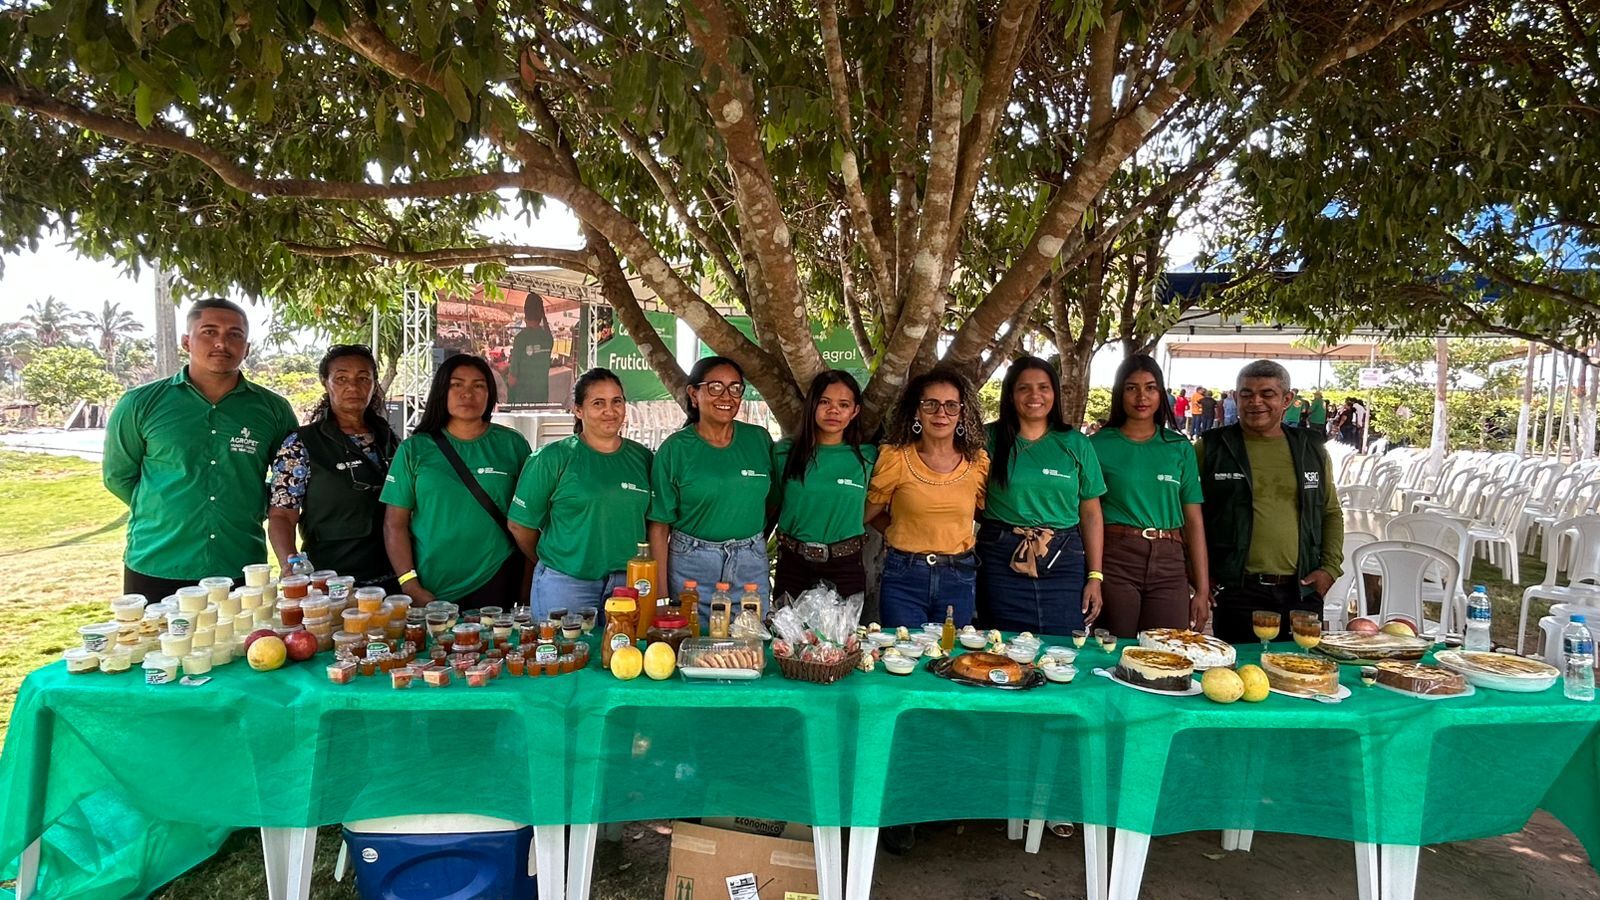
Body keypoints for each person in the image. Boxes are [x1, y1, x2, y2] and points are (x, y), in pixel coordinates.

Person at [103, 298, 297, 599]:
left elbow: (290, 480)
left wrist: (249, 505)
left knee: (243, 647)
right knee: (151, 646)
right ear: (186, 341)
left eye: (235, 334)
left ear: (247, 348)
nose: (222, 342)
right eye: (209, 331)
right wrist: (165, 510)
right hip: (157, 563)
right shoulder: (140, 404)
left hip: (239, 563)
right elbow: (118, 476)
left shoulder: (273, 410)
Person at [1196, 360, 1343, 644]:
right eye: (1247, 394)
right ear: (1236, 397)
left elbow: (1331, 512)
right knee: (1240, 676)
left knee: (1299, 675)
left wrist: (1329, 569)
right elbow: (1187, 513)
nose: (1256, 402)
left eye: (1267, 394)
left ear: (1287, 399)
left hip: (1300, 589)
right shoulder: (1212, 446)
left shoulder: (1310, 449)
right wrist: (1198, 574)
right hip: (1236, 589)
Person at [381, 354, 532, 606]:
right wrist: (410, 584)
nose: (467, 393)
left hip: (497, 577)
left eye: (478, 385)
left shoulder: (512, 445)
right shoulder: (414, 449)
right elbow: (394, 524)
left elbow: (530, 520)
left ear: (490, 393)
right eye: (456, 384)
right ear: (442, 391)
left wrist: (526, 587)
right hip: (431, 588)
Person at [509, 368, 653, 617]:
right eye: (598, 403)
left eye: (616, 401)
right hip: (566, 584)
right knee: (563, 654)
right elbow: (520, 526)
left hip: (628, 585)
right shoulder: (552, 458)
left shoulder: (643, 459)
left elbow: (654, 524)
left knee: (622, 655)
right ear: (578, 409)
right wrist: (557, 561)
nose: (610, 411)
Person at [976, 357, 1105, 635]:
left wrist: (1095, 576)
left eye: (1044, 387)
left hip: (1063, 558)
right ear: (1010, 395)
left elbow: (1091, 514)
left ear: (1054, 394)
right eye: (1024, 388)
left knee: (1061, 647)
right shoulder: (988, 440)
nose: (1035, 396)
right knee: (1001, 646)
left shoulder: (1075, 443)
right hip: (1000, 556)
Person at [1091, 355, 1210, 636]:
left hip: (1170, 562)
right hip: (1116, 557)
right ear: (1120, 393)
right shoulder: (1096, 446)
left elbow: (1193, 521)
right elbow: (1087, 514)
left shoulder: (1179, 447)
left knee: (1166, 653)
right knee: (1113, 651)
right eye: (1131, 388)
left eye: (1150, 388)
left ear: (1161, 393)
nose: (1141, 396)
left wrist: (1202, 589)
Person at [649, 356, 774, 622]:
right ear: (694, 394)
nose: (726, 396)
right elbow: (659, 527)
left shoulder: (759, 440)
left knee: (751, 650)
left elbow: (772, 501)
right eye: (715, 387)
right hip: (692, 567)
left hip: (750, 566)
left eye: (735, 388)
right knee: (694, 647)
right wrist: (660, 597)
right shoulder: (675, 449)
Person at [866, 368, 990, 629]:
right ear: (916, 411)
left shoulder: (977, 462)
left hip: (959, 576)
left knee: (949, 659)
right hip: (904, 575)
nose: (941, 413)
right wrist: (894, 530)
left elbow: (984, 513)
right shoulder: (895, 458)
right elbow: (868, 512)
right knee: (903, 658)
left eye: (951, 406)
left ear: (962, 412)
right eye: (931, 404)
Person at [267, 344, 398, 589]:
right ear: (325, 383)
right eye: (341, 378)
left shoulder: (389, 438)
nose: (353, 387)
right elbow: (282, 515)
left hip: (392, 580)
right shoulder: (301, 443)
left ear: (374, 383)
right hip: (331, 583)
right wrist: (290, 566)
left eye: (363, 378)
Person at [772, 371, 876, 599]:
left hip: (845, 567)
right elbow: (772, 507)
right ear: (812, 406)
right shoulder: (784, 453)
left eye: (844, 404)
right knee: (787, 635)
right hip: (793, 564)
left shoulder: (868, 458)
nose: (833, 411)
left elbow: (879, 503)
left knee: (843, 635)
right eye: (824, 402)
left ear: (855, 411)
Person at [508, 295, 554, 404]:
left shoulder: (520, 339)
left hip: (522, 400)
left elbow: (512, 379)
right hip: (542, 398)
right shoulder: (548, 338)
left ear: (525, 314)